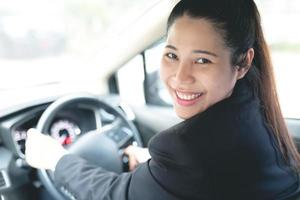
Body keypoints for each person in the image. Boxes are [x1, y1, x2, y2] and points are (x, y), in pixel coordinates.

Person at [25, 0, 300, 199]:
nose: (180, 77)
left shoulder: (187, 151)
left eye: (202, 60)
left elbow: (114, 195)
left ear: (242, 63)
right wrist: (154, 165)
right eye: (171, 55)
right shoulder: (256, 108)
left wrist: (55, 158)